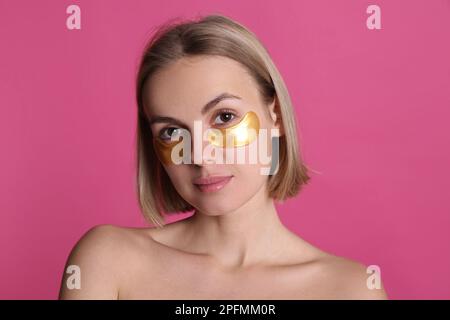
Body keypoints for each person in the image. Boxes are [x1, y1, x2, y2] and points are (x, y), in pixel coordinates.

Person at [59, 14, 387, 300]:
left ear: (275, 117)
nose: (200, 154)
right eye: (171, 132)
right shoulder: (107, 261)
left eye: (224, 117)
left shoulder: (351, 290)